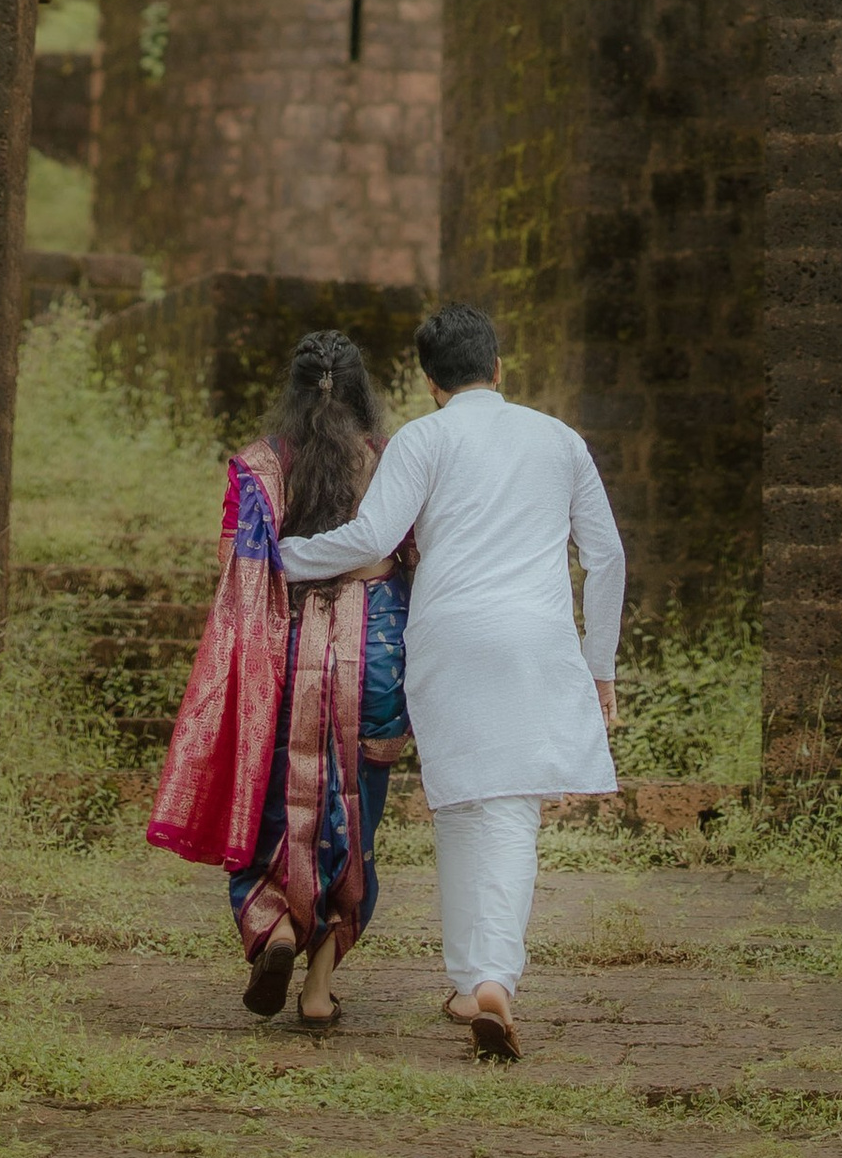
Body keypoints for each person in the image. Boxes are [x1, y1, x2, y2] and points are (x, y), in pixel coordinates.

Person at [277, 301, 623, 1064]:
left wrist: (278, 558)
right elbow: (606, 557)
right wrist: (601, 667)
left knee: (465, 804)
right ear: (499, 367)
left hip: (447, 639)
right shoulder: (559, 440)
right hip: (535, 640)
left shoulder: (425, 438)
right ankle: (492, 977)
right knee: (510, 813)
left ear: (431, 382)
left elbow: (370, 538)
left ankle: (473, 981)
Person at [146, 330, 411, 1032]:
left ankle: (276, 930)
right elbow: (409, 555)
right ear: (361, 392)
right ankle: (319, 989)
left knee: (272, 810)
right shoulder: (391, 463)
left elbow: (241, 576)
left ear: (292, 391)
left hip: (282, 657)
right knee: (355, 821)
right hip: (374, 661)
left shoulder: (258, 469)